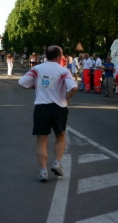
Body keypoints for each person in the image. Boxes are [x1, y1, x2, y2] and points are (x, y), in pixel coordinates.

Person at [18, 45, 78, 182]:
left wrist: (36, 86)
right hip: (58, 108)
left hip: (41, 108)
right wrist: (67, 97)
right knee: (60, 136)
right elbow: (74, 88)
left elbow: (21, 83)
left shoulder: (37, 69)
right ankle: (57, 163)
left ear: (46, 55)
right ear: (59, 56)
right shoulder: (63, 70)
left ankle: (43, 171)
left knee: (41, 140)